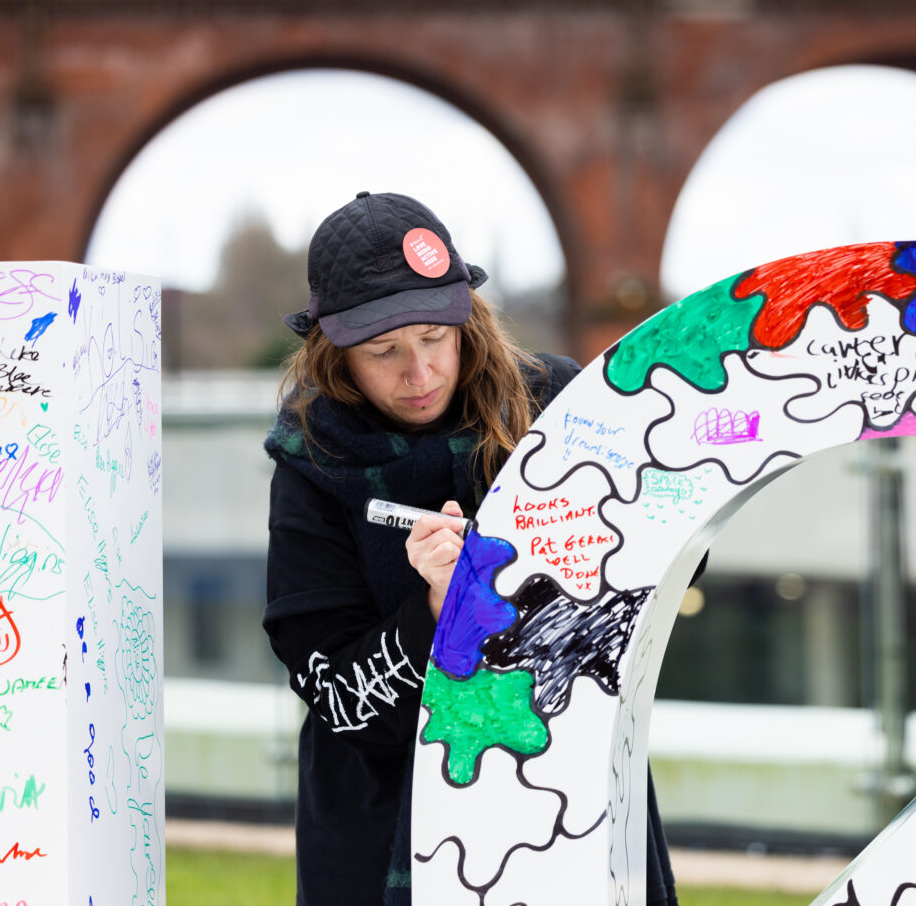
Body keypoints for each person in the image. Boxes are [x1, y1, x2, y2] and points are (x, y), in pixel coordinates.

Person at [262, 191, 678, 905]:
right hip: (381, 819)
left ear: (467, 320)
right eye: (383, 351)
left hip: (566, 789)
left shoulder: (559, 406)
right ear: (335, 353)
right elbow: (340, 701)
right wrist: (431, 610)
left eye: (433, 335)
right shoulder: (312, 461)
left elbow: (675, 555)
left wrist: (600, 529)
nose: (418, 372)